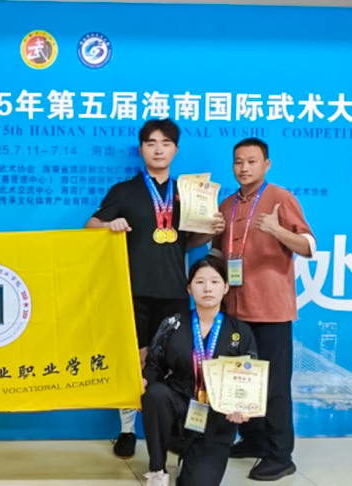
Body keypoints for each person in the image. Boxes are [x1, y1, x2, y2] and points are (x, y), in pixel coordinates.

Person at [86, 119, 225, 458]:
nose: (158, 149)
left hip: (174, 291)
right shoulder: (125, 191)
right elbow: (90, 226)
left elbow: (190, 242)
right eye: (151, 143)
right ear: (141, 149)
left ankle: (172, 430)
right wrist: (109, 225)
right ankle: (127, 431)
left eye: (165, 143)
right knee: (133, 361)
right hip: (132, 291)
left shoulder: (189, 193)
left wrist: (211, 229)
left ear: (175, 149)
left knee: (174, 362)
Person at [211, 138, 315, 481]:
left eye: (252, 161)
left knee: (274, 386)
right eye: (238, 162)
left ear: (266, 164)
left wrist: (277, 230)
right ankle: (253, 439)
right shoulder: (226, 205)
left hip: (271, 310)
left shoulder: (280, 197)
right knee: (242, 379)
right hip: (234, 309)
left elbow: (309, 246)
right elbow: (217, 255)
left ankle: (280, 455)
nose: (244, 168)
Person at [141, 256, 258, 486]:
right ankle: (157, 470)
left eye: (214, 282)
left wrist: (242, 407)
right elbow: (155, 365)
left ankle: (193, 461)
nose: (207, 288)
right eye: (200, 282)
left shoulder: (240, 331)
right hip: (179, 405)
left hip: (216, 417)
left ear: (225, 287)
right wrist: (145, 380)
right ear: (189, 289)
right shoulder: (173, 324)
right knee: (155, 395)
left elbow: (249, 379)